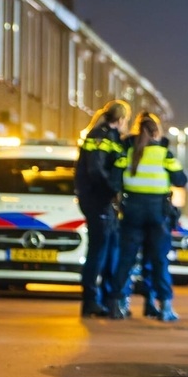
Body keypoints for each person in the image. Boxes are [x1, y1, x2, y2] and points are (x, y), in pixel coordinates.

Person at [108, 112, 187, 321]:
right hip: (157, 213)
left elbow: (114, 181)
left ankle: (117, 303)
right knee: (159, 260)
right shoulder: (164, 154)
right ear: (155, 132)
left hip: (132, 211)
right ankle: (165, 308)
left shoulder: (128, 152)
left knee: (125, 259)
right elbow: (181, 179)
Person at [74, 100, 130, 317]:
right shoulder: (100, 136)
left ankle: (105, 301)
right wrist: (111, 189)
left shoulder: (112, 137)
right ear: (121, 119)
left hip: (106, 201)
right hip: (98, 199)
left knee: (108, 250)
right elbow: (96, 169)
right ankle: (89, 300)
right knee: (98, 251)